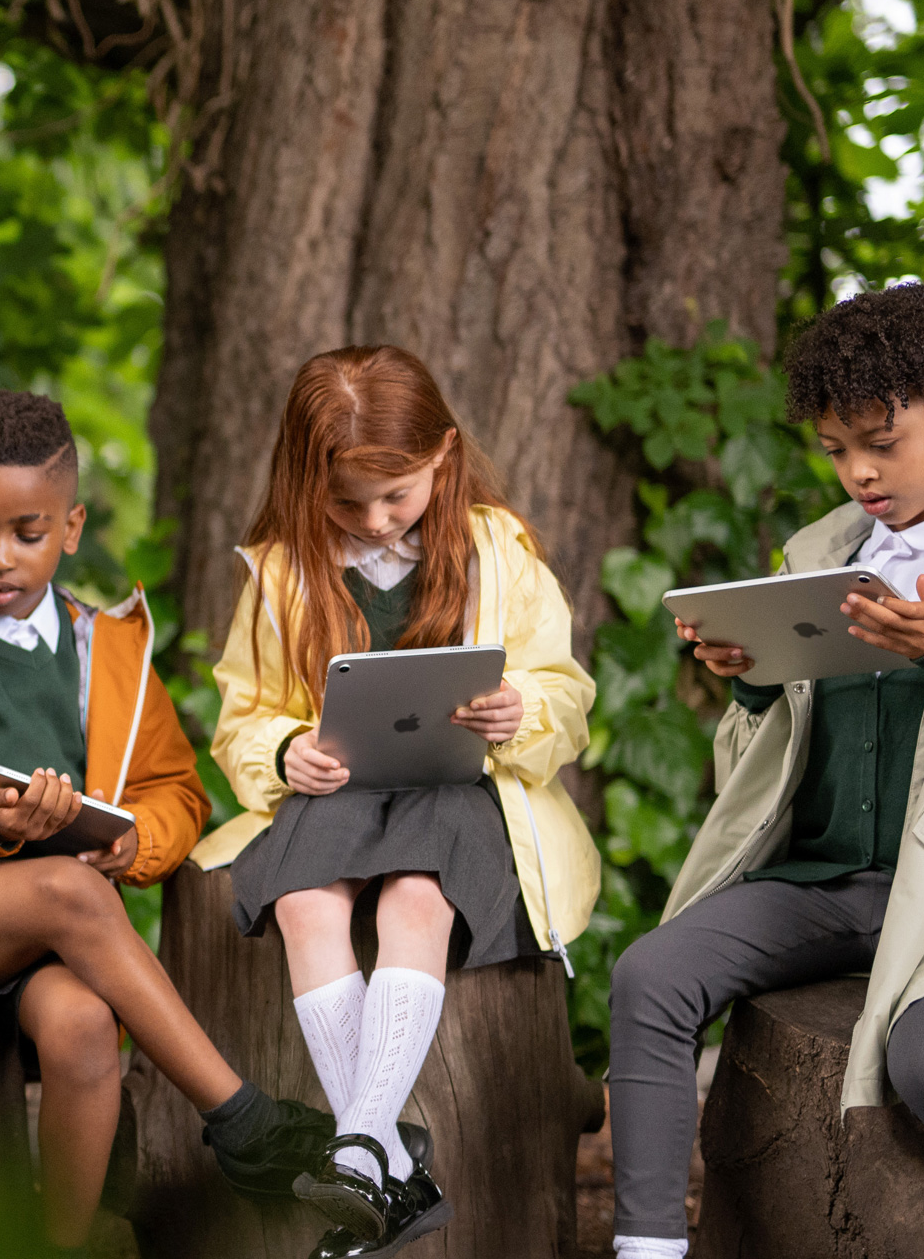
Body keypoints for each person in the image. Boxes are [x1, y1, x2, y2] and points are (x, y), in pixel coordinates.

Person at [615, 284, 924, 1259]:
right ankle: (644, 1248)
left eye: (879, 441)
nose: (856, 470)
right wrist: (752, 686)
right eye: (834, 448)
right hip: (818, 882)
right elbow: (746, 776)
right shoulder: (814, 554)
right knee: (650, 973)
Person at [0, 389, 338, 1251]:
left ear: (70, 529)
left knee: (80, 1024)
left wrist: (133, 839)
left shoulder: (105, 644)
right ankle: (241, 1116)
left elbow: (177, 792)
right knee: (68, 888)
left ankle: (60, 1245)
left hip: (48, 946)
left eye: (27, 534)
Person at [205, 346, 599, 1257]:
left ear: (444, 459)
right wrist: (283, 750)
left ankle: (362, 1146)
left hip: (463, 788)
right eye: (348, 502)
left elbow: (564, 690)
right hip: (344, 789)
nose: (376, 521)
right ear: (308, 482)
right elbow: (244, 714)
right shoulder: (281, 573)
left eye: (399, 495)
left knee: (415, 898)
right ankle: (381, 1154)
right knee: (305, 901)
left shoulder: (498, 550)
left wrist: (521, 710)